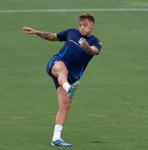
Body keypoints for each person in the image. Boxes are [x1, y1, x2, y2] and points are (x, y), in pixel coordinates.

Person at [22, 13, 102, 147]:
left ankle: (56, 138)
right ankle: (68, 87)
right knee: (62, 70)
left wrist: (87, 48)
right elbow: (52, 36)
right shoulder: (71, 32)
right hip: (57, 63)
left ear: (92, 26)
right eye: (80, 25)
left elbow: (94, 51)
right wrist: (36, 32)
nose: (82, 28)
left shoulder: (95, 42)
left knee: (65, 105)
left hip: (72, 76)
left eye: (85, 25)